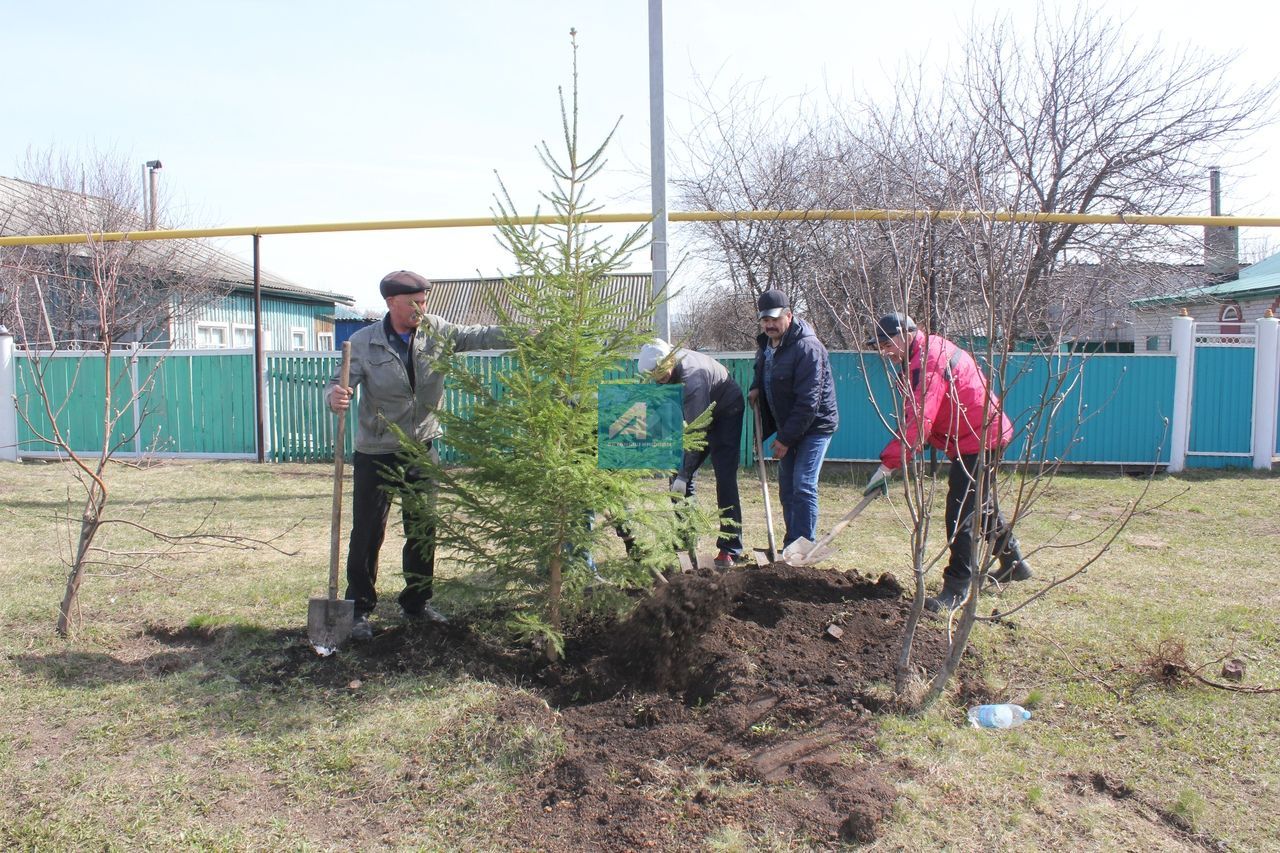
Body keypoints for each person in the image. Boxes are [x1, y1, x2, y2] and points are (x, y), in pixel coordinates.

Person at [326, 270, 508, 640]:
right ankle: (359, 608)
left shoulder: (436, 331)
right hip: (376, 451)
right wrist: (335, 396)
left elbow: (476, 335)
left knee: (422, 529)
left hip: (421, 449)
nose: (421, 310)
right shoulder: (364, 342)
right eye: (414, 303)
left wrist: (521, 333)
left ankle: (417, 602)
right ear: (391, 302)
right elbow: (338, 383)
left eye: (425, 302)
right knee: (367, 532)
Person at [862, 312, 1032, 613]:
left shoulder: (927, 364)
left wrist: (888, 464)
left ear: (906, 334)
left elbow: (920, 420)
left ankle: (957, 588)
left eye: (887, 344)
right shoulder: (924, 352)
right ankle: (1014, 563)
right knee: (981, 504)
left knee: (960, 513)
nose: (884, 352)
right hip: (980, 433)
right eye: (880, 346)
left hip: (979, 437)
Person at [639, 338, 747, 569]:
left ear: (670, 359)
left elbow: (697, 432)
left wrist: (684, 475)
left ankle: (730, 547)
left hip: (725, 409)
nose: (660, 376)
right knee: (675, 474)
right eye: (654, 374)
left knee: (724, 475)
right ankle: (685, 541)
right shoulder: (660, 376)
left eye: (662, 370)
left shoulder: (692, 378)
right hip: (697, 412)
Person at [747, 289, 839, 548]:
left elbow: (809, 401)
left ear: (789, 315)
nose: (769, 325)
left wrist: (784, 439)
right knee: (787, 487)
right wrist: (756, 386)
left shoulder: (808, 348)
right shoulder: (767, 344)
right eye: (765, 320)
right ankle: (791, 544)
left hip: (814, 426)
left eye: (775, 319)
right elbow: (762, 369)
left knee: (803, 484)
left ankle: (804, 545)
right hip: (789, 423)